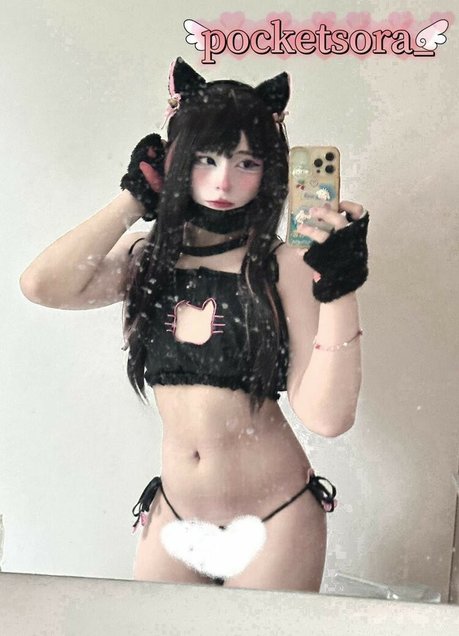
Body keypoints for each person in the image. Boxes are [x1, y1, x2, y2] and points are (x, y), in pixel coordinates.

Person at [19, 57, 369, 592]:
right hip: (175, 514)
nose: (224, 180)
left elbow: (327, 418)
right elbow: (42, 286)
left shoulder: (283, 266)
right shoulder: (149, 260)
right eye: (205, 159)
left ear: (271, 171)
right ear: (177, 158)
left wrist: (340, 287)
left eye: (247, 163)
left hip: (275, 516)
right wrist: (133, 200)